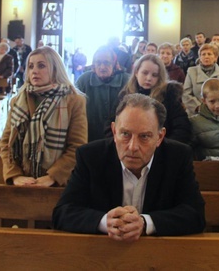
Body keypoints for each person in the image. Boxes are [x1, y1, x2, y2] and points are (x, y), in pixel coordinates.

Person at [51, 93, 206, 238]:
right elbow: (63, 212)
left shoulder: (178, 157)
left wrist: (145, 223)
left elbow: (195, 215)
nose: (132, 147)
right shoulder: (91, 156)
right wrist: (106, 222)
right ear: (114, 131)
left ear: (159, 137)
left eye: (144, 136)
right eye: (125, 134)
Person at [0, 46, 88, 187]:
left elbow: (77, 145)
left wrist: (53, 176)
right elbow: (6, 143)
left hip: (58, 183)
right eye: (30, 66)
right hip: (23, 180)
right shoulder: (18, 101)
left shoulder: (73, 101)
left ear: (55, 69)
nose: (34, 71)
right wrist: (14, 175)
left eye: (41, 66)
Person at [116, 54, 192, 144]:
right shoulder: (125, 95)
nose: (149, 78)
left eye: (154, 75)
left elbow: (182, 128)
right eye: (145, 73)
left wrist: (160, 147)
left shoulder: (168, 96)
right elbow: (113, 124)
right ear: (136, 72)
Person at [75, 46, 131, 142]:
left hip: (119, 138)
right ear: (93, 64)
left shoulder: (127, 81)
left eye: (106, 63)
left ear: (114, 64)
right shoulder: (84, 80)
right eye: (98, 63)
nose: (102, 67)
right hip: (89, 136)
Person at [182, 43, 219, 116]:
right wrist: (199, 108)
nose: (206, 57)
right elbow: (186, 94)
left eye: (209, 54)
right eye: (203, 54)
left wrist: (218, 108)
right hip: (196, 113)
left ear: (215, 57)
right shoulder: (191, 71)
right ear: (200, 57)